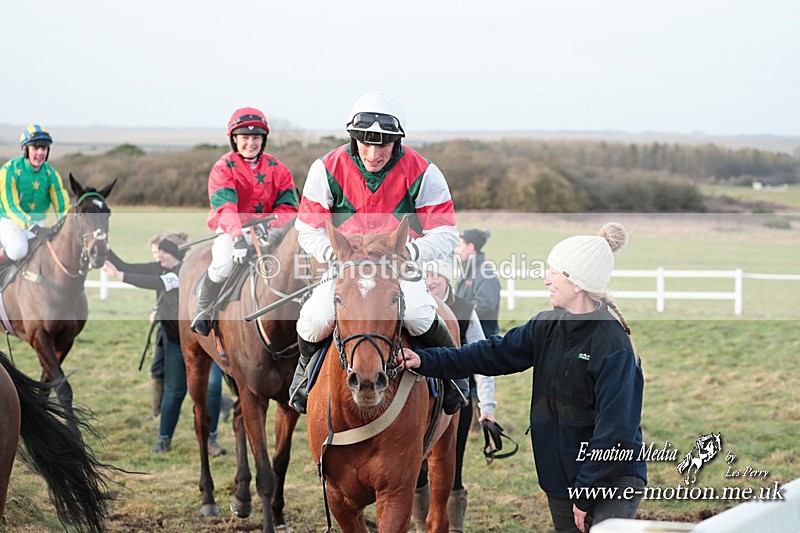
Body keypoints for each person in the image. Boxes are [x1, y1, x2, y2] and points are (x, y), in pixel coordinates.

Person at [396, 223, 647, 533]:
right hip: (561, 478)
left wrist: (586, 492)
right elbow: (486, 354)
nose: (546, 280)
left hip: (610, 479)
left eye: (553, 273)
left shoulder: (613, 346)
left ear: (577, 283)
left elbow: (616, 433)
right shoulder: (545, 326)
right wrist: (425, 360)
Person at [289, 91, 467, 415]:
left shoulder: (424, 171)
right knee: (313, 319)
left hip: (398, 265)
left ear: (397, 140)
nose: (373, 153)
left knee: (418, 314)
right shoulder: (325, 168)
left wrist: (411, 251)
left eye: (383, 144)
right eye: (365, 142)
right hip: (345, 264)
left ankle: (455, 378)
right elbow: (307, 228)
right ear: (353, 137)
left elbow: (446, 233)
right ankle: (303, 378)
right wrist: (333, 255)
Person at [104, 232, 228, 455]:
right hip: (174, 340)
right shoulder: (158, 267)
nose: (157, 255)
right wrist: (104, 246)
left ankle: (211, 440)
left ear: (171, 254)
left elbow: (157, 283)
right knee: (174, 392)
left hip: (205, 342)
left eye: (160, 252)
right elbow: (126, 265)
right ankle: (164, 440)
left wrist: (119, 276)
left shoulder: (184, 271)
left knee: (212, 389)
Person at [190, 106, 299, 336]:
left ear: (263, 140)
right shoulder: (223, 167)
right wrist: (238, 237)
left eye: (256, 138)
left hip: (269, 230)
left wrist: (271, 224)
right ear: (234, 140)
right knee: (222, 265)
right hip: (231, 231)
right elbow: (226, 206)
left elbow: (289, 207)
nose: (251, 143)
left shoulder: (278, 168)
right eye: (245, 138)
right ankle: (203, 309)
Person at [412, 259, 497, 533]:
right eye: (426, 274)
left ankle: (454, 527)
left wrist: (487, 406)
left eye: (436, 275)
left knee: (451, 469)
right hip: (418, 403)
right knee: (416, 471)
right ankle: (422, 525)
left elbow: (484, 358)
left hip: (456, 400)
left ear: (448, 278)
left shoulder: (463, 310)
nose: (431, 280)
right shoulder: (413, 310)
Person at [0, 124, 71, 262]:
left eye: (43, 148)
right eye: (35, 148)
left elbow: (62, 206)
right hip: (9, 221)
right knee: (18, 250)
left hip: (36, 223)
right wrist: (33, 227)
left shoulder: (51, 174)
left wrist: (67, 224)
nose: (40, 153)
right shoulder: (9, 171)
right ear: (24, 149)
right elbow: (11, 207)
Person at [455, 228, 501, 338]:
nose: (456, 250)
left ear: (471, 247)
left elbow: (486, 305)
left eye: (459, 246)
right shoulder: (467, 271)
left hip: (483, 342)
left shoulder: (485, 273)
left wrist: (459, 312)